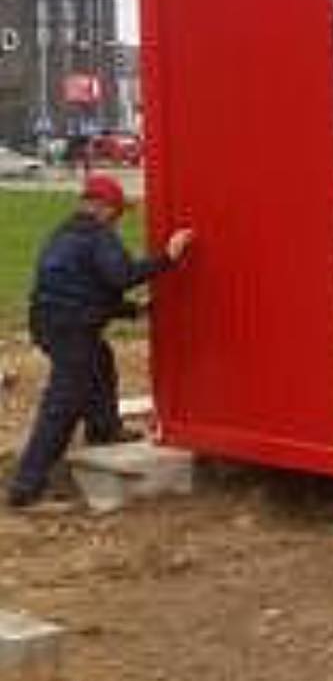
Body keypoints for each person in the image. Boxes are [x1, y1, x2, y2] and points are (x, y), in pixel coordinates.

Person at [6, 174, 195, 509]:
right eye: (117, 212)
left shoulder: (64, 234)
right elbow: (122, 277)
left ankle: (103, 428)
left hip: (50, 322)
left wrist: (133, 311)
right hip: (71, 327)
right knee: (63, 403)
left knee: (100, 359)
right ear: (104, 208)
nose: (117, 219)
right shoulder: (97, 237)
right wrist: (169, 256)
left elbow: (87, 289)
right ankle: (26, 486)